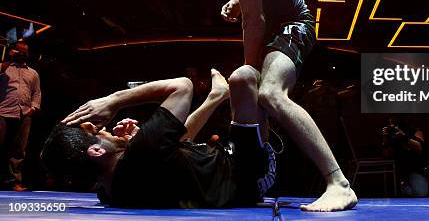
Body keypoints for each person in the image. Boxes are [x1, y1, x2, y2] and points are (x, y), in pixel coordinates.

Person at [184, 0, 357, 211]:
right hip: (281, 28)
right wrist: (239, 0)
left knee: (268, 93)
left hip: (294, 26)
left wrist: (251, 67)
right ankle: (257, 174)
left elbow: (255, 19)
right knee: (251, 87)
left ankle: (339, 183)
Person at [41, 67, 276, 208]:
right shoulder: (143, 151)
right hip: (245, 175)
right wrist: (113, 101)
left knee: (172, 143)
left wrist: (127, 143)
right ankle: (257, 94)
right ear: (96, 151)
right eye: (96, 132)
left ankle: (216, 96)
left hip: (204, 170)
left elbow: (159, 157)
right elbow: (182, 86)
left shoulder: (109, 189)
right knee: (243, 77)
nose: (105, 129)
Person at [0, 42, 41, 191]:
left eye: (25, 51)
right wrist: (7, 61)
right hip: (3, 112)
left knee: (19, 150)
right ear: (13, 51)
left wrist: (34, 108)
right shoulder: (4, 68)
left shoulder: (33, 73)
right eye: (19, 51)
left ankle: (14, 182)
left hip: (24, 114)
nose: (22, 53)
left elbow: (36, 93)